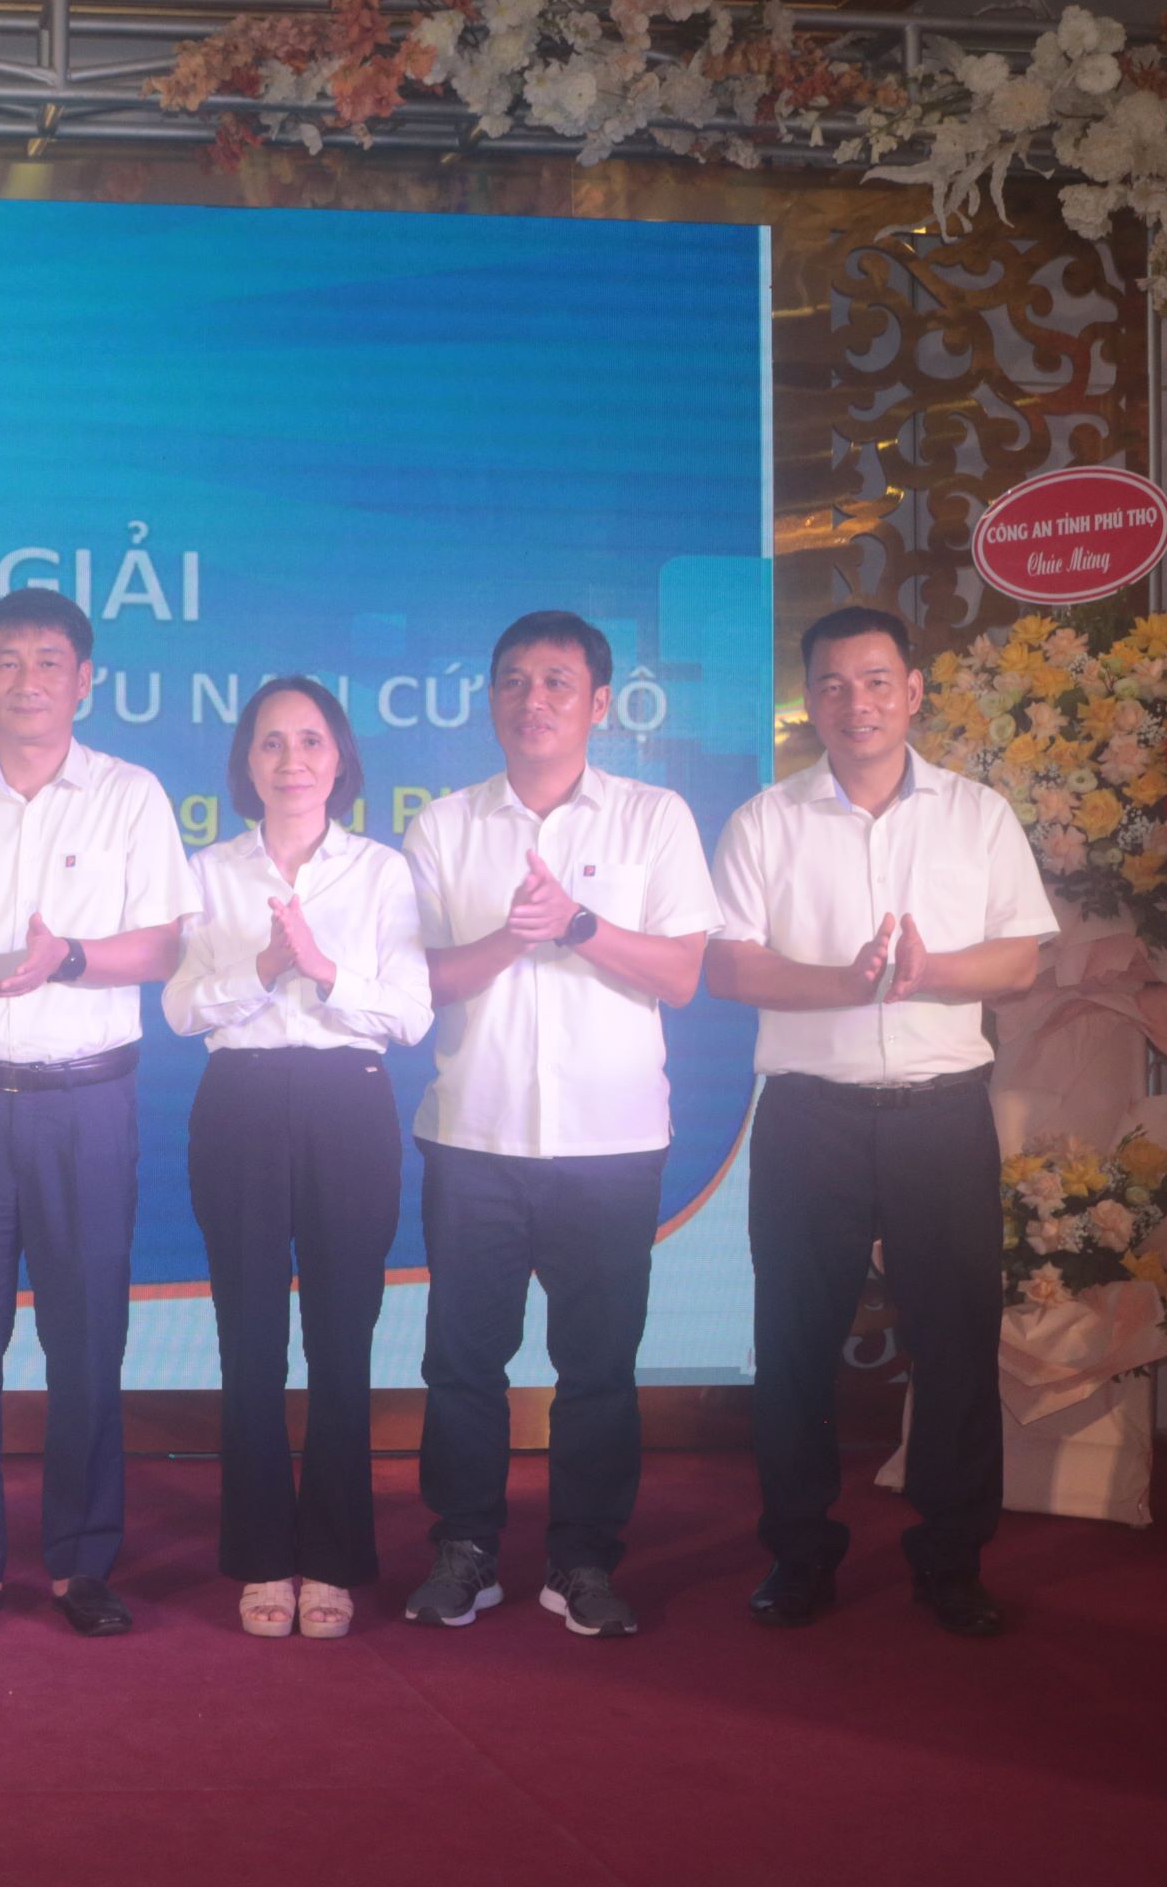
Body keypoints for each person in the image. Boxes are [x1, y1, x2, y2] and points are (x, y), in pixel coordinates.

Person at [705, 605, 1053, 1638]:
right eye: (832, 684)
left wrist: (927, 972)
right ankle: (798, 1555)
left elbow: (1022, 959)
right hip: (809, 1116)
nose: (855, 702)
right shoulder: (765, 821)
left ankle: (952, 1561)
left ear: (913, 691)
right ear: (809, 702)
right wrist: (846, 984)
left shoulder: (977, 814)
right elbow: (729, 966)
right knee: (794, 1345)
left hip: (943, 1117)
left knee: (956, 1345)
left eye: (875, 680)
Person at [401, 609, 721, 1639]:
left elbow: (681, 973)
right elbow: (416, 983)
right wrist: (513, 936)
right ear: (490, 698)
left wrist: (576, 925)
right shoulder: (444, 827)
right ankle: (465, 1549)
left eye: (555, 682)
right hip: (475, 1137)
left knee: (598, 1368)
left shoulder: (653, 817)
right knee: (462, 1363)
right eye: (513, 681)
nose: (532, 700)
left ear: (600, 704)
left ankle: (584, 1559)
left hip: (611, 1144)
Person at [0, 588, 200, 1639]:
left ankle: (83, 1562)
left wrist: (67, 958)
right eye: (10, 661)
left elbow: (163, 948)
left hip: (87, 1103)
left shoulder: (130, 795)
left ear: (85, 680)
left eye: (50, 661)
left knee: (88, 1339)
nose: (29, 680)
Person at [166, 677, 431, 1641]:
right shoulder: (208, 872)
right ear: (247, 761)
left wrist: (323, 971)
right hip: (239, 1101)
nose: (291, 761)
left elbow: (411, 1015)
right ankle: (261, 1559)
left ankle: (333, 1560)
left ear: (340, 758)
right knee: (249, 1338)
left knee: (341, 1339)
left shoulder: (383, 872)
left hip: (347, 1102)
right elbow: (180, 1008)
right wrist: (263, 968)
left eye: (311, 741)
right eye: (271, 742)